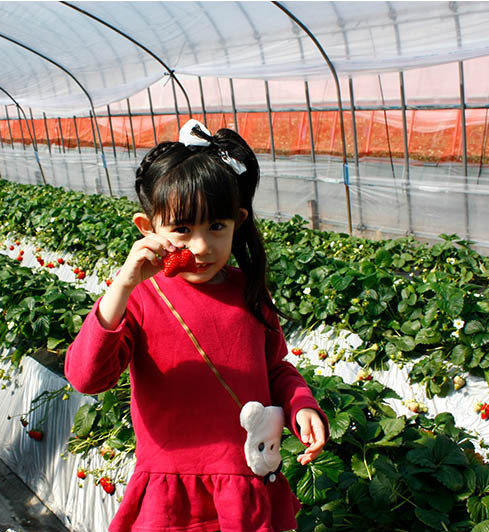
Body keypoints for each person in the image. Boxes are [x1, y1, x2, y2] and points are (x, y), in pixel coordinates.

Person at [65, 119, 329, 532]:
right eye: (182, 230)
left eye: (216, 227)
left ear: (237, 221)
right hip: (173, 496)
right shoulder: (140, 298)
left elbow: (275, 367)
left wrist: (302, 405)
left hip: (245, 486)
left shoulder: (250, 292)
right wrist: (122, 286)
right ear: (148, 228)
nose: (202, 246)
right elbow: (86, 376)